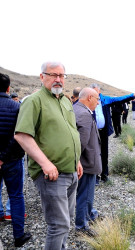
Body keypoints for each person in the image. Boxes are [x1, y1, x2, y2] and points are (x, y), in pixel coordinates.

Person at [14, 61, 83, 249]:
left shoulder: (65, 101)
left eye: (61, 76)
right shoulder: (33, 101)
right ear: (42, 76)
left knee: (66, 221)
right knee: (58, 224)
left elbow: (70, 132)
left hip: (71, 171)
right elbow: (22, 135)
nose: (58, 79)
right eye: (53, 75)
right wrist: (45, 163)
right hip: (51, 174)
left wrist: (77, 160)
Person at [0, 73, 31, 247]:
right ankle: (19, 236)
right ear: (8, 88)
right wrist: (3, 157)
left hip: (6, 158)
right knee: (16, 195)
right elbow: (18, 135)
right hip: (12, 160)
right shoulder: (17, 107)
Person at [90, 83, 135, 183]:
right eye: (92, 92)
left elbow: (119, 99)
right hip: (92, 132)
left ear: (99, 91)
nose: (94, 94)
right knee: (93, 153)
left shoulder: (105, 99)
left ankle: (104, 174)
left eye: (96, 91)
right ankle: (95, 176)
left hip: (103, 131)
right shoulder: (88, 101)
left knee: (104, 153)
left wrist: (132, 95)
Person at [73, 88, 101, 236]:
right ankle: (81, 226)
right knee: (84, 195)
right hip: (86, 163)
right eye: (97, 99)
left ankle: (89, 215)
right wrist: (77, 160)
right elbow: (80, 143)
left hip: (86, 162)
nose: (98, 102)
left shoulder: (77, 109)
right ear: (90, 97)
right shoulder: (83, 114)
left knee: (86, 193)